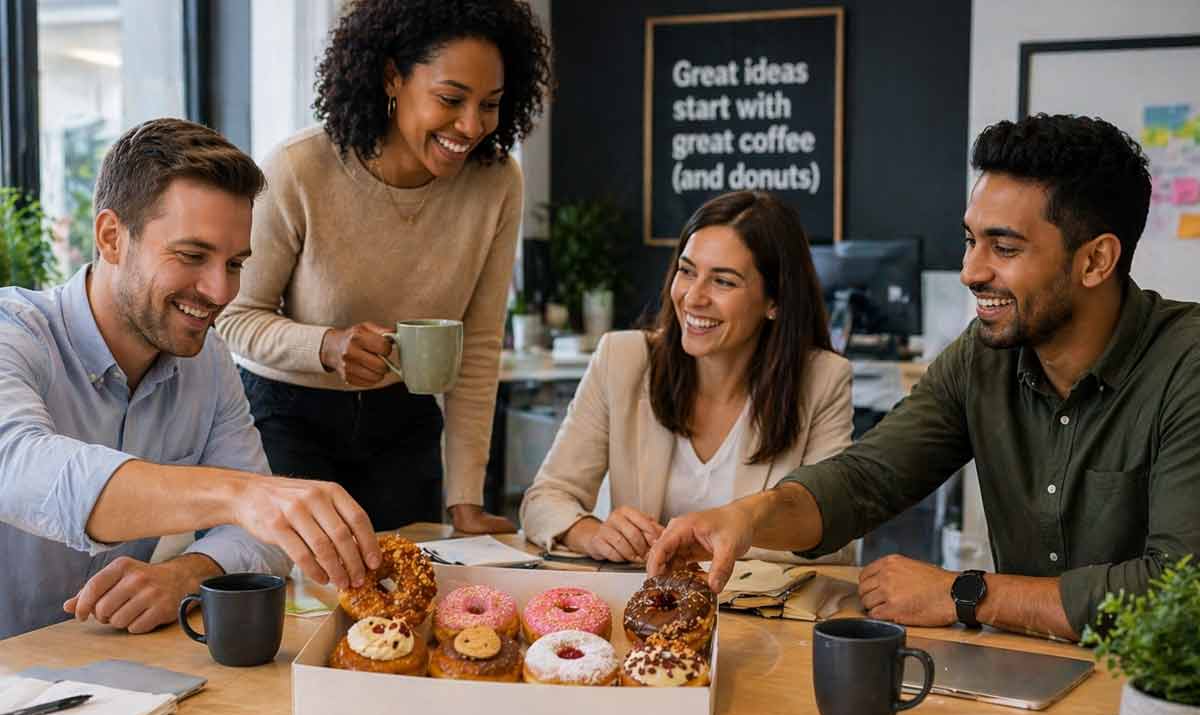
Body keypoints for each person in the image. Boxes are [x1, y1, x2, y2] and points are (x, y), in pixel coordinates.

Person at [647, 114, 1200, 641]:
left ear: (1096, 261)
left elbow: (1180, 593)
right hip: (1030, 682)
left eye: (1004, 248)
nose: (970, 271)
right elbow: (866, 479)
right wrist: (747, 517)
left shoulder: (1186, 363)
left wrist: (968, 594)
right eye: (970, 240)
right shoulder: (980, 359)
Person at [0, 118, 382, 639]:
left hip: (102, 677)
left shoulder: (207, 364)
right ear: (112, 237)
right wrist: (240, 495)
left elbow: (262, 541)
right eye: (192, 256)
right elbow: (20, 468)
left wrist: (185, 574)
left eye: (235, 263)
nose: (221, 290)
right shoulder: (13, 331)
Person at [215, 0, 552, 534]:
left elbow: (481, 343)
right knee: (304, 598)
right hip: (285, 418)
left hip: (405, 420)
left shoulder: (497, 182)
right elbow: (234, 317)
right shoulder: (300, 168)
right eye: (450, 99)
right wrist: (325, 346)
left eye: (490, 104)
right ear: (392, 77)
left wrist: (464, 497)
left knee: (409, 589)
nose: (471, 125)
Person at [521, 191, 856, 566]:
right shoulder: (622, 359)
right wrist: (591, 534)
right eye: (687, 271)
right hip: (643, 607)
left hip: (755, 616)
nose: (693, 298)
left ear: (774, 301)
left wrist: (711, 545)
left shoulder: (822, 379)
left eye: (723, 282)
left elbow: (834, 539)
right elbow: (544, 498)